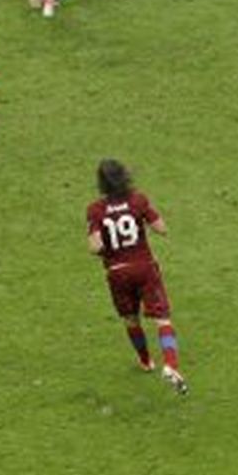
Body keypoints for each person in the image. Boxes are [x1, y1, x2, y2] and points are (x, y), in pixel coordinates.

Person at [86, 159, 187, 394]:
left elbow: (94, 247)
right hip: (144, 267)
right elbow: (161, 228)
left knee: (130, 319)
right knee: (162, 318)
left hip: (117, 272)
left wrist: (110, 252)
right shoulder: (138, 200)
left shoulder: (95, 210)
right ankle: (171, 365)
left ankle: (146, 361)